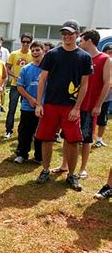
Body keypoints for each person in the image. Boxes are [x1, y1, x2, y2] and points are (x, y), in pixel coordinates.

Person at [35, 20, 93, 191]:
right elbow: (43, 79)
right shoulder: (52, 54)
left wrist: (77, 108)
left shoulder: (84, 57)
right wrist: (39, 103)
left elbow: (85, 85)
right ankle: (45, 170)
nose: (67, 37)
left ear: (77, 35)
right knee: (46, 138)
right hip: (51, 104)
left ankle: (71, 175)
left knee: (73, 141)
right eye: (64, 34)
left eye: (70, 34)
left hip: (70, 106)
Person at [52, 29, 110, 178]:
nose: (79, 43)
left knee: (86, 138)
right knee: (68, 136)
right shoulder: (79, 57)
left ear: (89, 41)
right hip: (72, 104)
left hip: (89, 106)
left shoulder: (104, 59)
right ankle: (64, 164)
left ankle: (83, 168)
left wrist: (98, 105)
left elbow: (107, 84)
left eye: (82, 40)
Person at [13, 41, 45, 164]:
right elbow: (20, 87)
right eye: (33, 50)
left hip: (43, 107)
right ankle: (22, 154)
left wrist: (40, 103)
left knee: (41, 133)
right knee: (25, 132)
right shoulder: (26, 69)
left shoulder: (48, 69)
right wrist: (31, 99)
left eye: (38, 50)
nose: (35, 53)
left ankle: (39, 156)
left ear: (43, 51)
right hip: (28, 106)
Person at [5, 33, 33, 139]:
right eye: (23, 42)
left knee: (25, 109)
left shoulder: (32, 54)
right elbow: (7, 68)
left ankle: (23, 130)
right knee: (12, 108)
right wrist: (15, 76)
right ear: (21, 42)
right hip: (15, 85)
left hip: (27, 87)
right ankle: (8, 130)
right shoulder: (14, 54)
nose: (25, 44)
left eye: (28, 42)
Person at [94, 43, 112, 148]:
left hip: (107, 98)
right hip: (95, 97)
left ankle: (99, 139)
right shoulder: (99, 63)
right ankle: (86, 137)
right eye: (109, 53)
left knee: (103, 119)